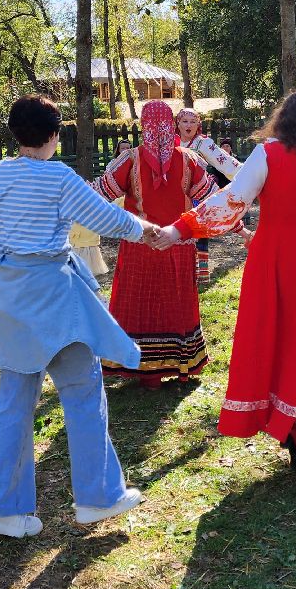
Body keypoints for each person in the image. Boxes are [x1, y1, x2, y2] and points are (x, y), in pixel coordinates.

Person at [153, 90, 296, 476]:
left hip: (278, 259)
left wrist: (180, 228)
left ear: (282, 121)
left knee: (278, 340)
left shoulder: (270, 153)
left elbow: (233, 199)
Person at [0, 95, 162, 537]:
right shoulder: (58, 176)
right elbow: (105, 218)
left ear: (15, 133)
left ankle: (2, 508)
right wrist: (147, 230)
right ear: (55, 135)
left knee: (14, 403)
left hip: (10, 294)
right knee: (82, 391)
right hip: (54, 299)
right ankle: (98, 497)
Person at [93, 101, 217, 385]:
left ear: (143, 125)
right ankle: (180, 361)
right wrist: (237, 226)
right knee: (176, 301)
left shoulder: (129, 159)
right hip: (178, 244)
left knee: (138, 302)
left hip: (140, 245)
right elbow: (212, 197)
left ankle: (137, 363)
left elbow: (100, 193)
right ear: (172, 124)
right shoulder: (189, 159)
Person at [176, 107, 242, 281]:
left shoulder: (203, 143)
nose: (188, 125)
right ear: (178, 123)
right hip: (176, 196)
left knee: (199, 232)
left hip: (200, 194)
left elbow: (227, 163)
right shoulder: (171, 143)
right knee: (178, 233)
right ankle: (181, 273)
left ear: (198, 124)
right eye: (184, 121)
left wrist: (249, 176)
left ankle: (201, 273)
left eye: (193, 121)